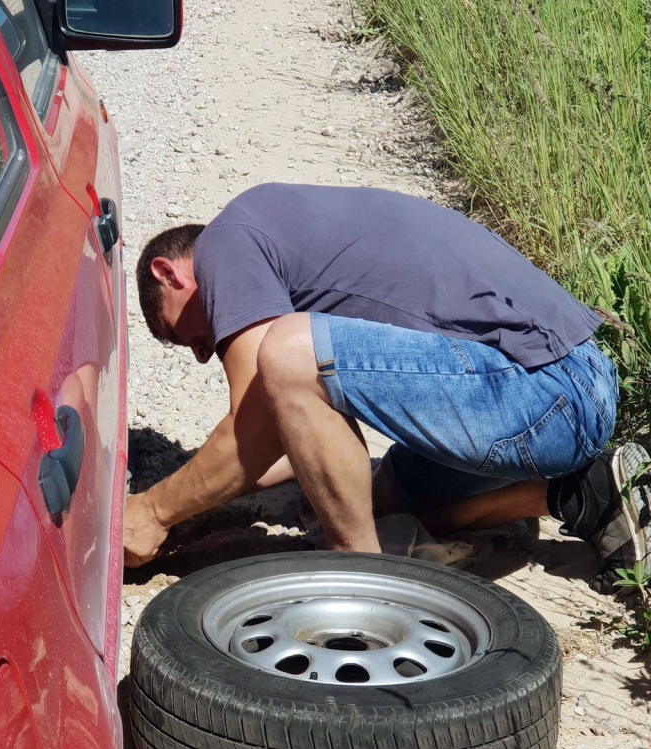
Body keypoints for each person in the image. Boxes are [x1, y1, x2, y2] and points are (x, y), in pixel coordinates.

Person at [124, 183, 650, 592]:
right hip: (561, 388)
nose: (200, 353)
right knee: (372, 501)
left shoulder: (225, 243)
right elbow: (285, 433)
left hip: (547, 389)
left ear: (169, 272)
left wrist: (153, 511)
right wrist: (197, 498)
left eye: (180, 332)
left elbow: (255, 425)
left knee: (289, 353)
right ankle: (581, 492)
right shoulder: (276, 228)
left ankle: (361, 581)